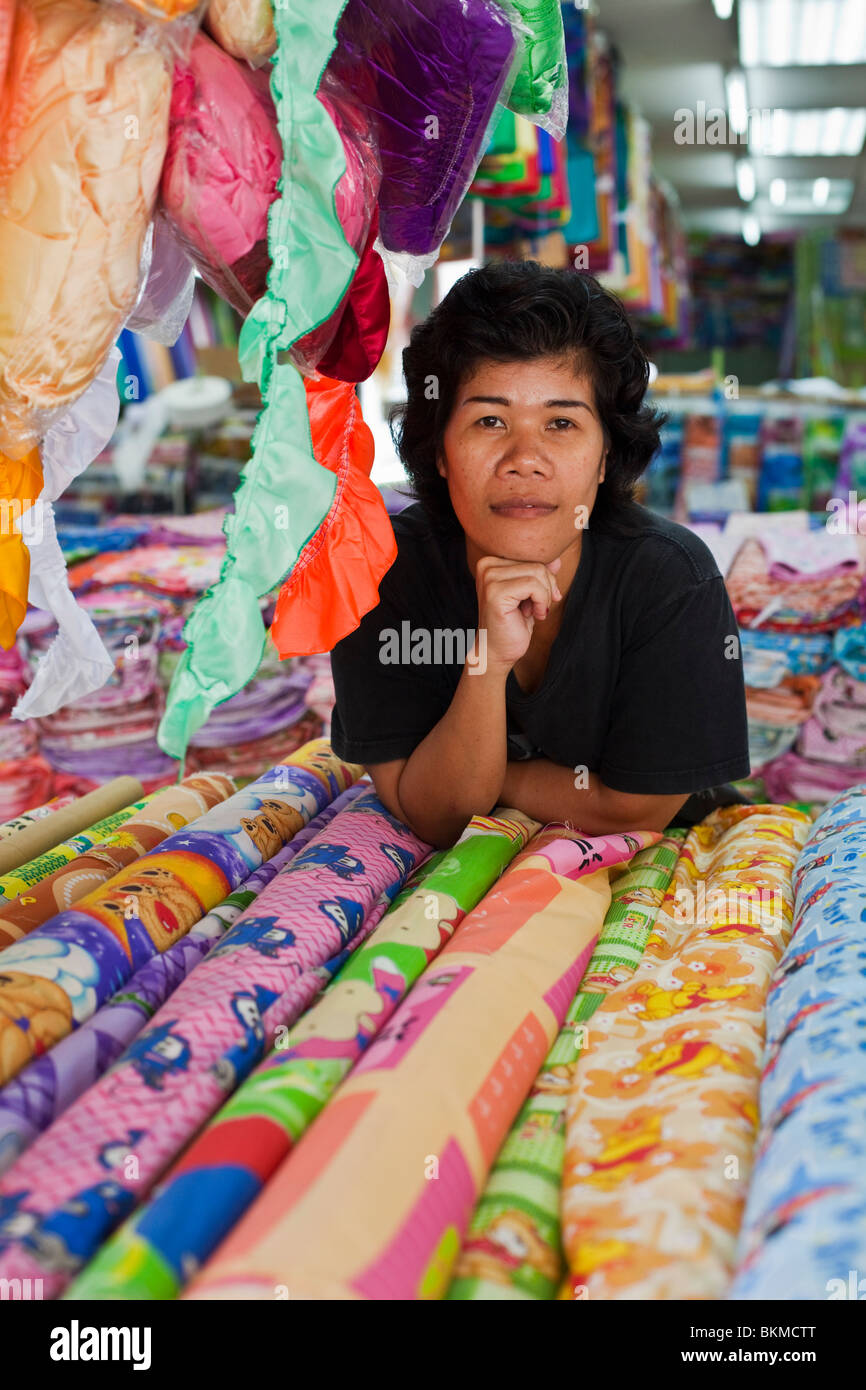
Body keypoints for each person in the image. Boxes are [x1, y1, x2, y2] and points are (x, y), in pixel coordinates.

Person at [330, 261, 751, 849]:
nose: (524, 458)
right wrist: (487, 662)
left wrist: (491, 779)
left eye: (561, 422)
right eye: (490, 420)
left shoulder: (669, 578)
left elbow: (637, 810)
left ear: (606, 456)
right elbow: (433, 816)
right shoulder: (380, 568)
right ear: (441, 449)